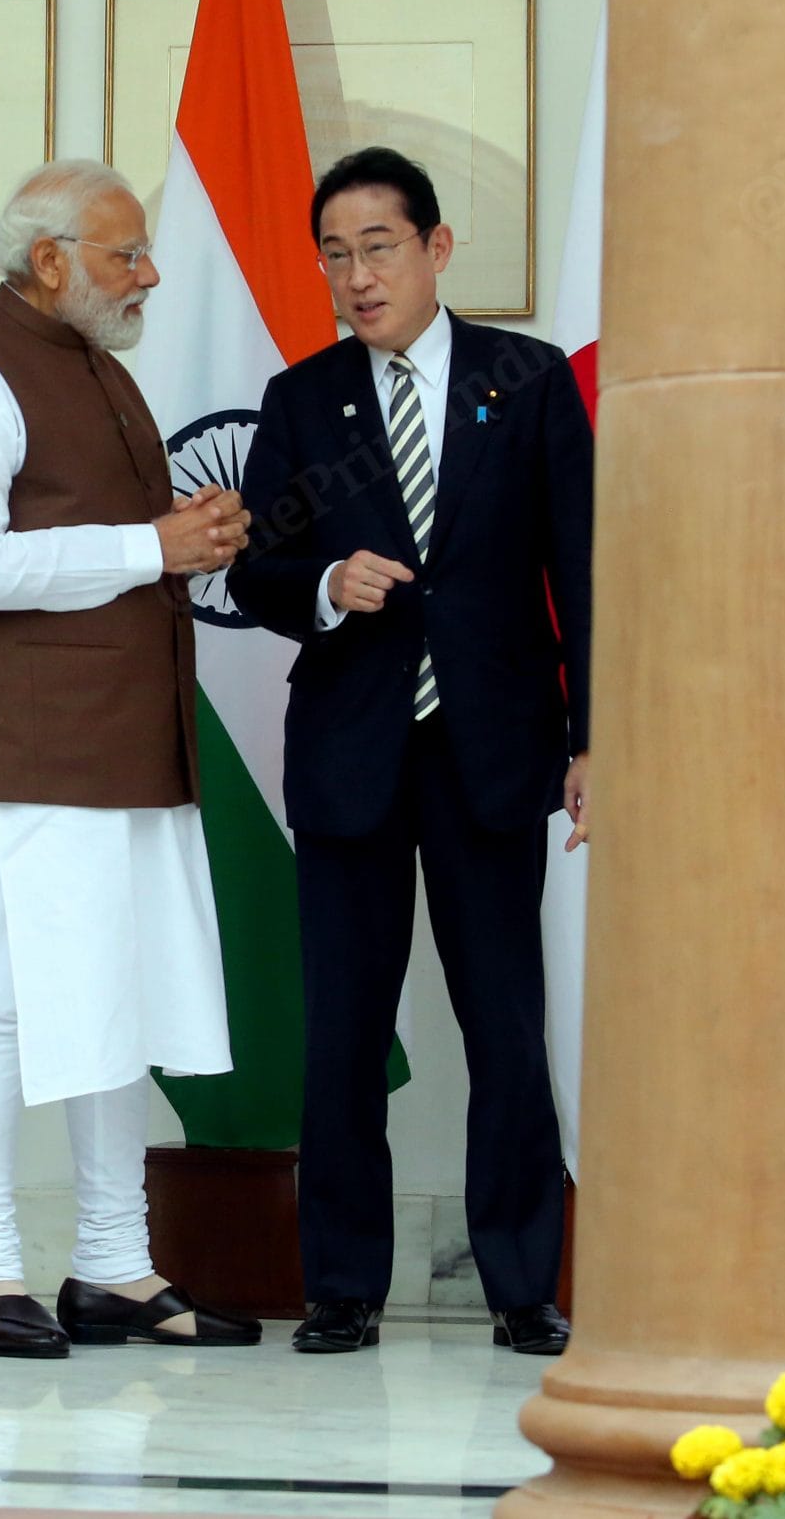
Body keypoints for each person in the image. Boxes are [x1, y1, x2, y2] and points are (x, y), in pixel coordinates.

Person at [231, 147, 592, 1356]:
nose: (357, 277)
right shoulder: (302, 399)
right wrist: (325, 583)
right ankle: (341, 1287)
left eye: (377, 247)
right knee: (340, 1034)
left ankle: (523, 1286)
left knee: (507, 1028)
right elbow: (256, 571)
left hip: (493, 750)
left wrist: (593, 739)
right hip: (352, 758)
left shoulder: (525, 381)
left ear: (435, 248)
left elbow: (582, 567)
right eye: (335, 256)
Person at [0, 160, 261, 1357]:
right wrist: (150, 545)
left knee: (120, 994)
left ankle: (112, 1265)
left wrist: (189, 540)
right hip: (15, 747)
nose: (147, 273)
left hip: (123, 739)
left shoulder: (100, 368)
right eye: (125, 254)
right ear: (49, 261)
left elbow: (109, 545)